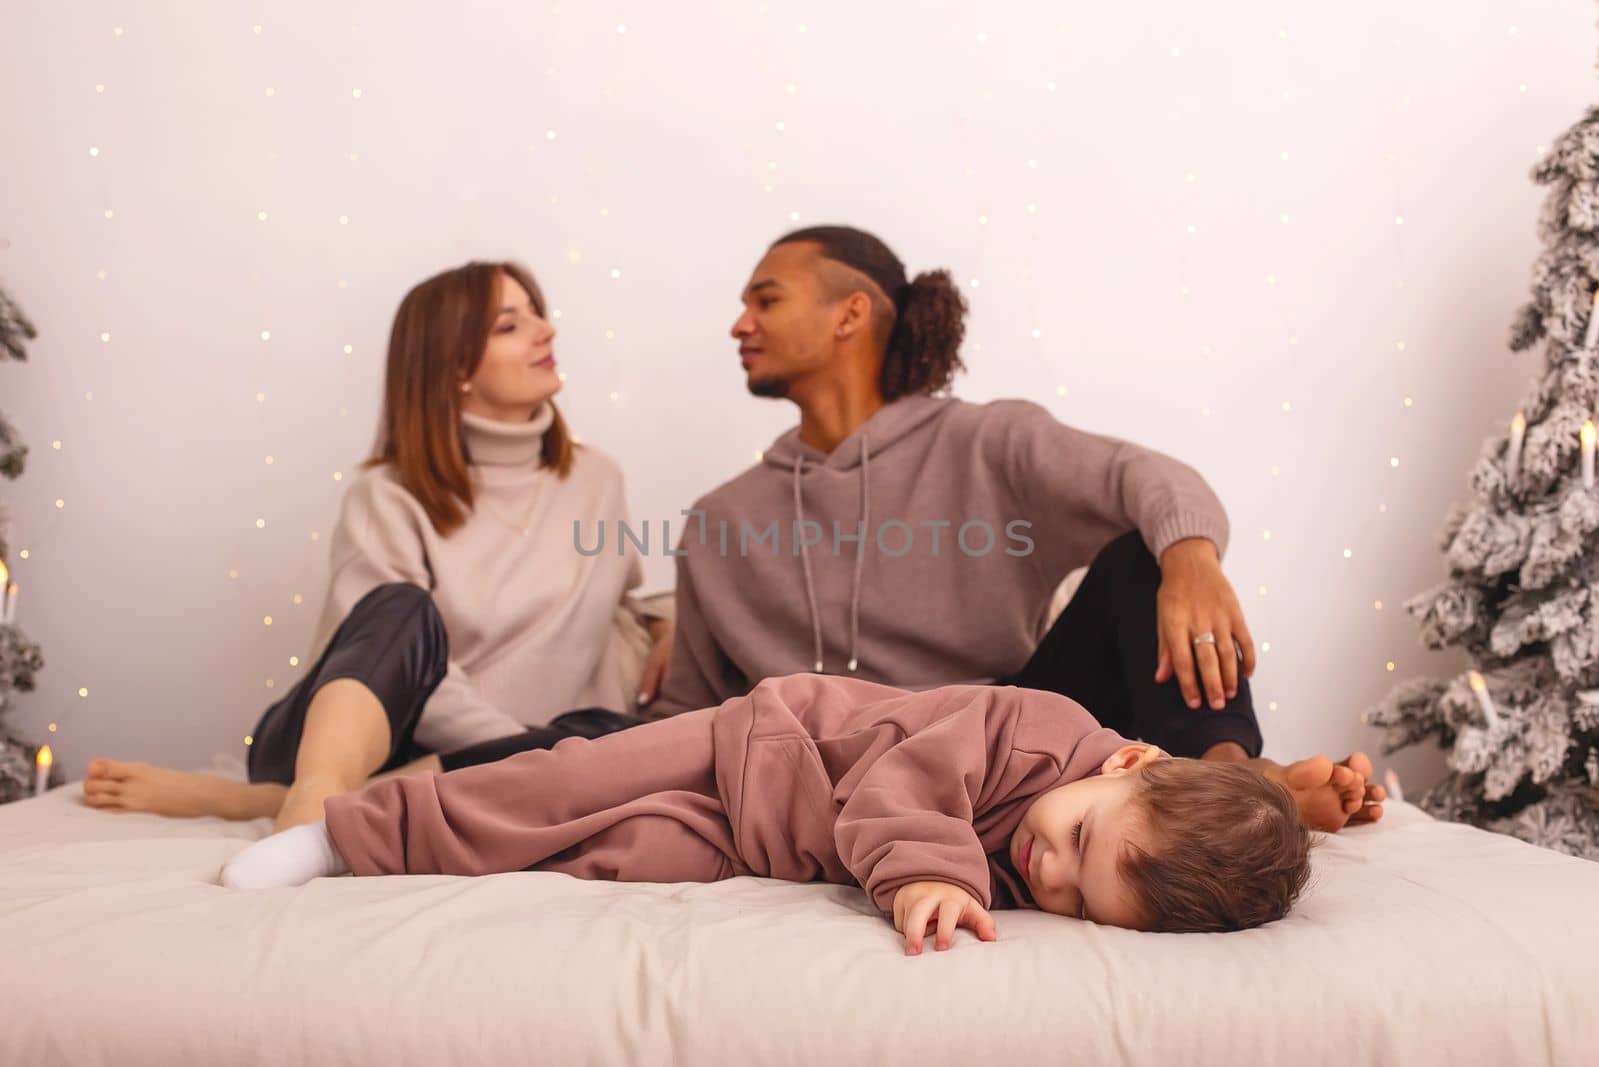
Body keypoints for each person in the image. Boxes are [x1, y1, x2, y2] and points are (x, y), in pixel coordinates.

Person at [646, 224, 1385, 833]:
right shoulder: (720, 521)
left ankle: (1226, 781)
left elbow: (1152, 477)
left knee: (1146, 556)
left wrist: (1192, 559)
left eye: (765, 300)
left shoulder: (988, 442)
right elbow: (689, 710)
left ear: (851, 314)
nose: (740, 324)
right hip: (833, 773)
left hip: (1011, 748)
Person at [82, 261, 672, 831]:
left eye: (537, 314)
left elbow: (617, 607)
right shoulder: (388, 495)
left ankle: (258, 804)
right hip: (360, 744)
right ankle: (313, 792)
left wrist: (668, 620)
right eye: (510, 325)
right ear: (454, 368)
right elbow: (398, 659)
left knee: (615, 739)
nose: (547, 331)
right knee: (400, 608)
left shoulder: (598, 480)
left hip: (513, 756)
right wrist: (518, 755)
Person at [218, 673, 1317, 952]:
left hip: (766, 842)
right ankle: (339, 831)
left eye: (1079, 898)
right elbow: (903, 790)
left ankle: (432, 862)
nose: (1052, 866)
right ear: (1128, 757)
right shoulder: (1035, 726)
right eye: (1080, 837)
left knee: (603, 855)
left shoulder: (1084, 849)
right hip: (757, 744)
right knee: (553, 784)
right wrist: (934, 877)